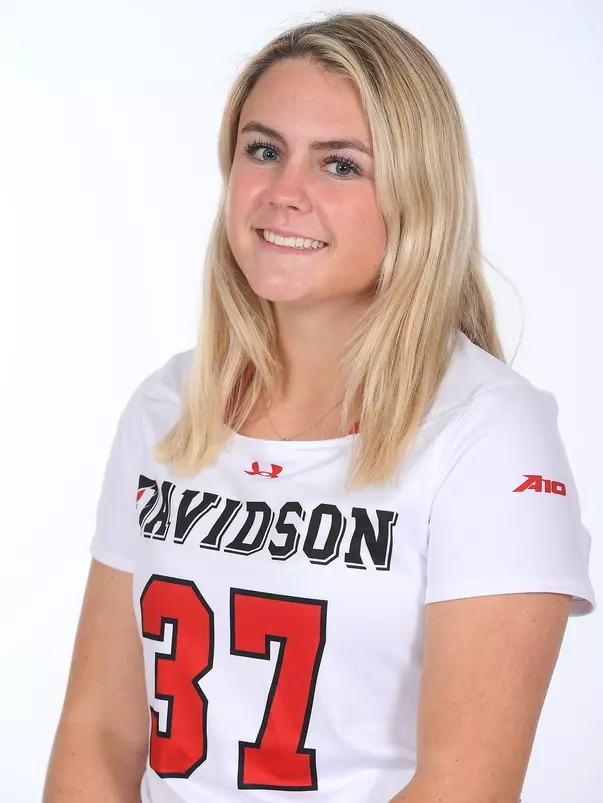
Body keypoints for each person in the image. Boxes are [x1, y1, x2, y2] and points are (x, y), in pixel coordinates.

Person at [43, 10, 596, 803]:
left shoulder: (488, 435)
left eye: (340, 166)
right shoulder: (168, 407)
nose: (283, 194)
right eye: (262, 151)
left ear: (417, 194)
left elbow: (464, 786)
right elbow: (97, 733)